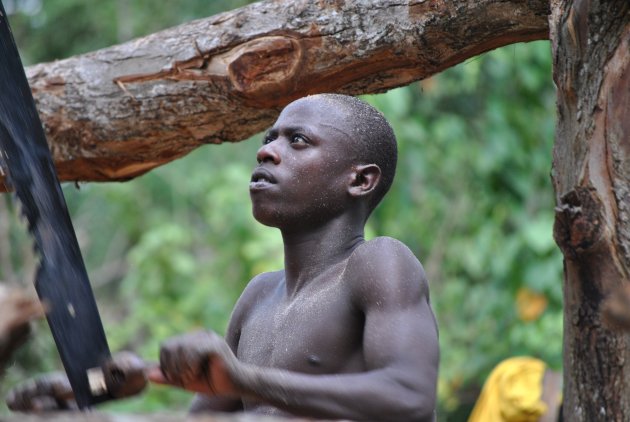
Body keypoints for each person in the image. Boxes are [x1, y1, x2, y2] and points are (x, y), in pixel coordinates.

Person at [7, 94, 439, 421]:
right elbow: (208, 418)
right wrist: (95, 395)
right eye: (270, 138)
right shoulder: (259, 295)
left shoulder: (378, 263)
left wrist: (243, 378)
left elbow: (410, 397)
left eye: (299, 141)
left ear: (360, 180)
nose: (267, 151)